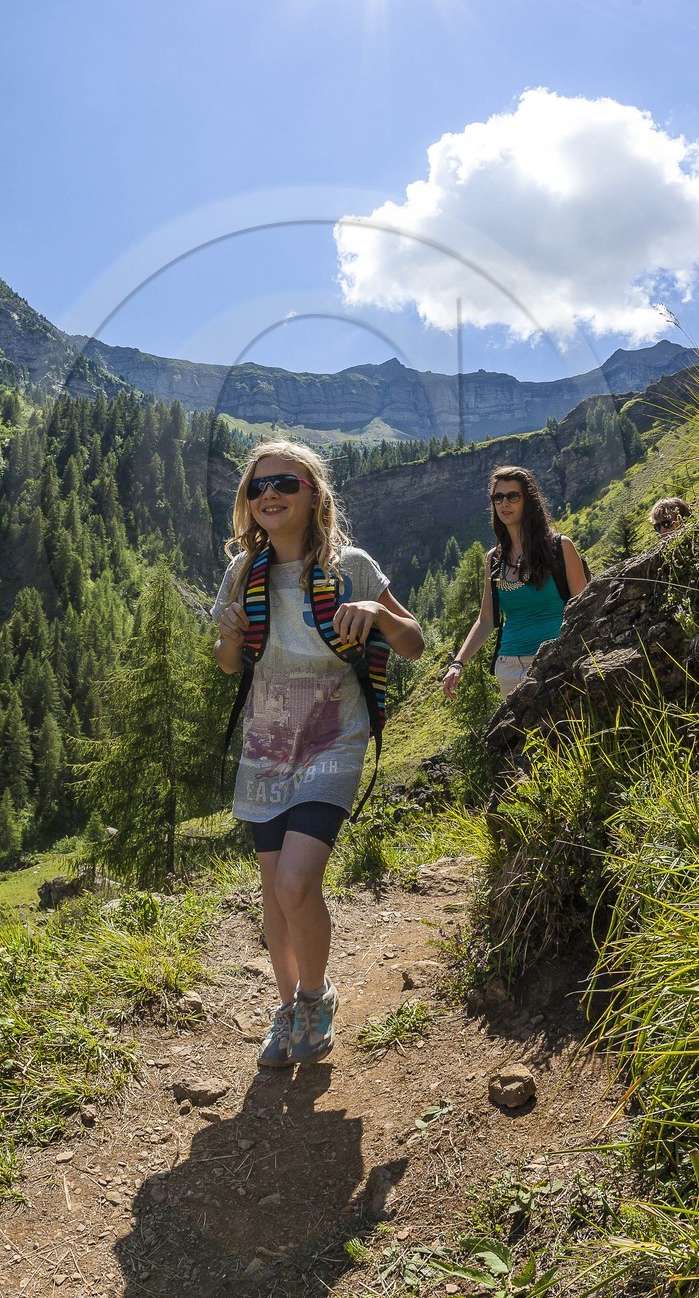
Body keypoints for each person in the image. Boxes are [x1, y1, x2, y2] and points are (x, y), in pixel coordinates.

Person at [213, 439, 423, 1068]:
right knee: (273, 889)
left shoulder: (352, 566)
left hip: (334, 736)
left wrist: (376, 616)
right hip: (267, 740)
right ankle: (287, 1011)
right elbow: (230, 666)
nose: (268, 495)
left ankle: (315, 994)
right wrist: (226, 638)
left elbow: (412, 642)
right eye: (257, 487)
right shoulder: (242, 575)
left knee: (298, 883)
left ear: (314, 493)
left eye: (284, 483)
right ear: (248, 504)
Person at [442, 464, 589, 702]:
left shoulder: (560, 548)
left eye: (513, 496)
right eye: (498, 497)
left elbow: (585, 609)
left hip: (555, 661)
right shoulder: (494, 559)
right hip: (508, 669)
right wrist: (458, 663)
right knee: (522, 739)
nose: (504, 503)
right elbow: (486, 620)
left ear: (528, 501)